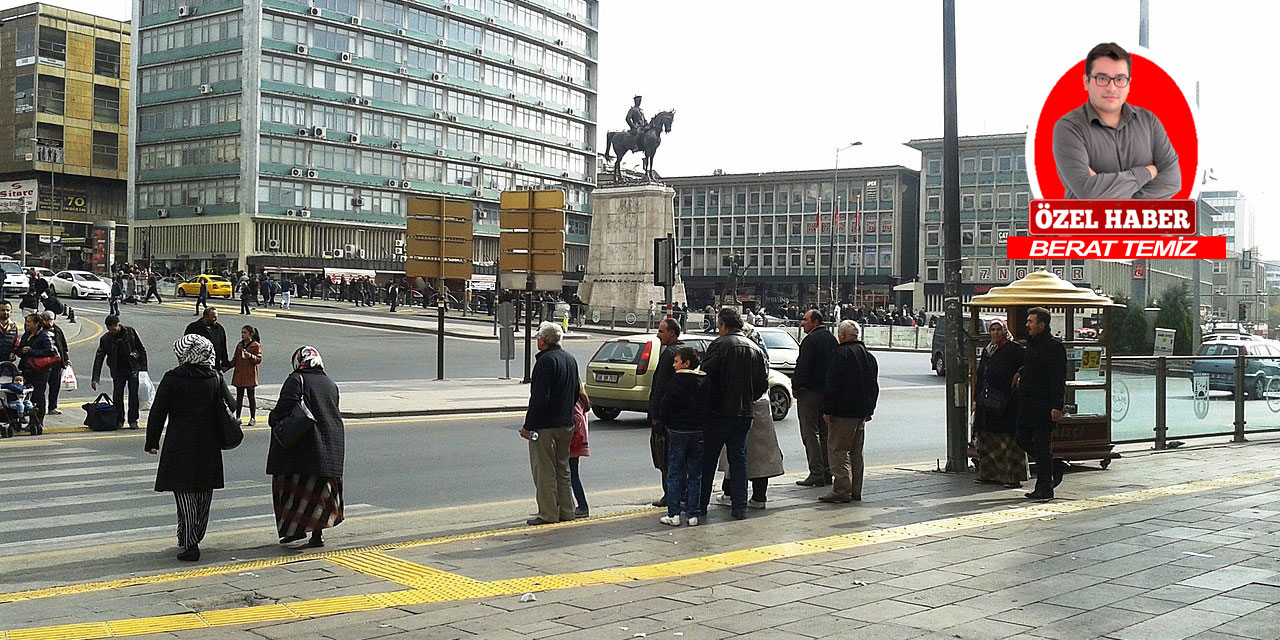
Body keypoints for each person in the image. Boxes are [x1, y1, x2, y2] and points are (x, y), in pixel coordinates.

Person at [145, 334, 235, 562]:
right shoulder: (214, 377)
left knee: (184, 495)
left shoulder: (173, 378)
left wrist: (152, 442)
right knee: (204, 492)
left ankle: (190, 542)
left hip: (180, 443)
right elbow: (231, 405)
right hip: (209, 444)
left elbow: (158, 411)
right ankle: (195, 533)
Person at [1052, 42, 1180, 199]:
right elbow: (1088, 191)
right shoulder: (1068, 128)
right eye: (1102, 78)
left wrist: (1108, 193)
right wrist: (1147, 173)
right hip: (1089, 224)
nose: (1111, 87)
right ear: (1086, 82)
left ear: (1129, 84)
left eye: (1120, 79)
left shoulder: (1149, 121)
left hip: (1142, 224)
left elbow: (1173, 181)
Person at [267, 346, 345, 548]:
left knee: (292, 491)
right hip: (328, 448)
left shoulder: (296, 379)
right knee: (320, 495)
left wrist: (273, 419)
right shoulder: (330, 383)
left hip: (301, 448)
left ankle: (293, 530)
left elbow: (284, 408)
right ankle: (317, 536)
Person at [698, 307, 768, 520]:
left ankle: (700, 505)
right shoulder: (754, 348)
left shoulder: (719, 345)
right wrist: (747, 398)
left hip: (719, 412)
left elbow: (704, 375)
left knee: (708, 461)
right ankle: (739, 507)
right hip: (744, 413)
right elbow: (761, 384)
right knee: (738, 460)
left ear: (724, 326)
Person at [520, 322, 580, 526]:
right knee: (563, 468)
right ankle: (567, 510)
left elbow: (539, 398)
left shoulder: (545, 361)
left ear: (543, 341)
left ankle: (548, 513)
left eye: (538, 337)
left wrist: (529, 426)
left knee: (544, 469)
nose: (537, 340)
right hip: (565, 423)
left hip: (545, 426)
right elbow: (575, 393)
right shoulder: (570, 359)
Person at [820, 320, 879, 503]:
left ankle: (841, 489)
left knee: (838, 450)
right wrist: (869, 409)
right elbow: (873, 387)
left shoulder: (841, 354)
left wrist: (827, 409)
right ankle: (856, 489)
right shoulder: (868, 356)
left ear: (843, 336)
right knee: (856, 452)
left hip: (843, 412)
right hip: (860, 413)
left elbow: (833, 385)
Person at [1014, 307, 1068, 500]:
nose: (1027, 324)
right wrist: (1021, 371)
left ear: (1042, 325)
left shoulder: (1054, 348)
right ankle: (1055, 466)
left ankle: (1044, 487)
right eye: (1027, 321)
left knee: (1042, 445)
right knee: (1022, 438)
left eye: (1031, 321)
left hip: (1044, 405)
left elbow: (1057, 378)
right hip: (1028, 404)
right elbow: (1033, 366)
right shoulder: (1032, 344)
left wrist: (1057, 405)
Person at [973, 319, 1028, 488]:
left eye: (998, 330)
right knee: (987, 438)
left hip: (1007, 403)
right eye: (992, 330)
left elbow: (1027, 365)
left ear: (1005, 331)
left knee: (1008, 440)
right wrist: (976, 399)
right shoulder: (988, 351)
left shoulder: (1014, 349)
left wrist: (1019, 374)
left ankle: (1012, 476)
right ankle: (989, 474)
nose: (995, 333)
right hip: (987, 403)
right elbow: (981, 376)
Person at [658, 346, 707, 527]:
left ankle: (674, 514)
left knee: (675, 473)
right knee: (695, 474)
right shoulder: (704, 381)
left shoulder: (675, 382)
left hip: (678, 431)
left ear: (686, 363)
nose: (673, 365)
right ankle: (693, 515)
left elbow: (666, 406)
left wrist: (666, 423)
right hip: (698, 432)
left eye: (676, 361)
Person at [792, 309, 838, 488]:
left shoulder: (810, 340)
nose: (802, 323)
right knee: (825, 432)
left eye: (805, 320)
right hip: (826, 393)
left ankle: (816, 472)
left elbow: (802, 367)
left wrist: (796, 387)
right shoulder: (831, 339)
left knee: (809, 432)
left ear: (815, 322)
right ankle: (828, 471)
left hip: (810, 392)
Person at [647, 318, 684, 508]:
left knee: (665, 457)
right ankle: (680, 494)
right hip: (683, 415)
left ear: (672, 333)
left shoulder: (669, 354)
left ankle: (670, 495)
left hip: (667, 416)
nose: (658, 334)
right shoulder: (686, 351)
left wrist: (655, 414)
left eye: (661, 331)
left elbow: (660, 386)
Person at [91, 315, 148, 429]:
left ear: (119, 325)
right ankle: (119, 420)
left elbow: (141, 349)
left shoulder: (130, 332)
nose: (112, 332)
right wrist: (95, 378)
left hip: (133, 368)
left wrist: (143, 369)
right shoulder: (106, 339)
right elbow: (99, 357)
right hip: (117, 370)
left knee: (133, 395)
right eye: (109, 329)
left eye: (114, 329)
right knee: (117, 396)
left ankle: (133, 420)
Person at [18, 313, 59, 435]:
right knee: (28, 396)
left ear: (37, 323)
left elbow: (50, 351)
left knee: (38, 395)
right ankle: (31, 421)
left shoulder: (44, 335)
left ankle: (38, 421)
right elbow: (20, 349)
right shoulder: (27, 335)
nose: (26, 324)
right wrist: (21, 351)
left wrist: (32, 351)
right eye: (26, 322)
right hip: (27, 369)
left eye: (29, 322)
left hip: (40, 371)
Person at [231, 325, 262, 426]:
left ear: (250, 334)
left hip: (249, 374)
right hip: (240, 374)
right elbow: (235, 359)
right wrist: (226, 367)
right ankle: (238, 416)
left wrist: (250, 356)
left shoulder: (255, 345)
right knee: (239, 397)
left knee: (251, 397)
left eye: (245, 333)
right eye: (242, 333)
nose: (242, 335)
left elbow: (258, 359)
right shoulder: (240, 345)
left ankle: (252, 417)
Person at [184, 308, 231, 373]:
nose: (216, 319)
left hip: (214, 366)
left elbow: (223, 347)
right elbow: (186, 347)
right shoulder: (193, 328)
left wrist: (225, 363)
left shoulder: (219, 329)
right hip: (197, 366)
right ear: (206, 316)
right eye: (213, 317)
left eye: (216, 317)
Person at [41, 311, 69, 416]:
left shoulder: (57, 330)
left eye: (51, 319)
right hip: (42, 363)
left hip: (56, 362)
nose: (49, 322)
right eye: (46, 319)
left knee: (55, 385)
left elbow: (63, 346)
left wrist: (65, 359)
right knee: (41, 387)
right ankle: (39, 408)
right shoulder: (38, 330)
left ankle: (52, 406)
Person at [569, 385, 590, 518]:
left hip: (574, 442)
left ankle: (582, 506)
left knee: (570, 475)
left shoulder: (574, 399)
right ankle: (581, 505)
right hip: (578, 442)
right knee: (572, 474)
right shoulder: (582, 398)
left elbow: (577, 418)